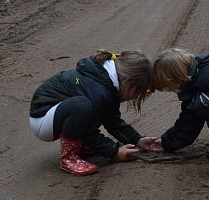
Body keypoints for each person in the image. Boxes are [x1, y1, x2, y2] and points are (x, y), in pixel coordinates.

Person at [29, 49, 162, 176]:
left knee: (85, 108)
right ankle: (68, 158)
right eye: (140, 90)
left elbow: (112, 121)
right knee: (81, 105)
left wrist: (137, 140)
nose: (136, 96)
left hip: (56, 115)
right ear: (126, 82)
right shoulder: (98, 90)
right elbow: (90, 132)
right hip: (43, 119)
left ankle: (79, 146)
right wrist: (115, 152)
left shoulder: (108, 84)